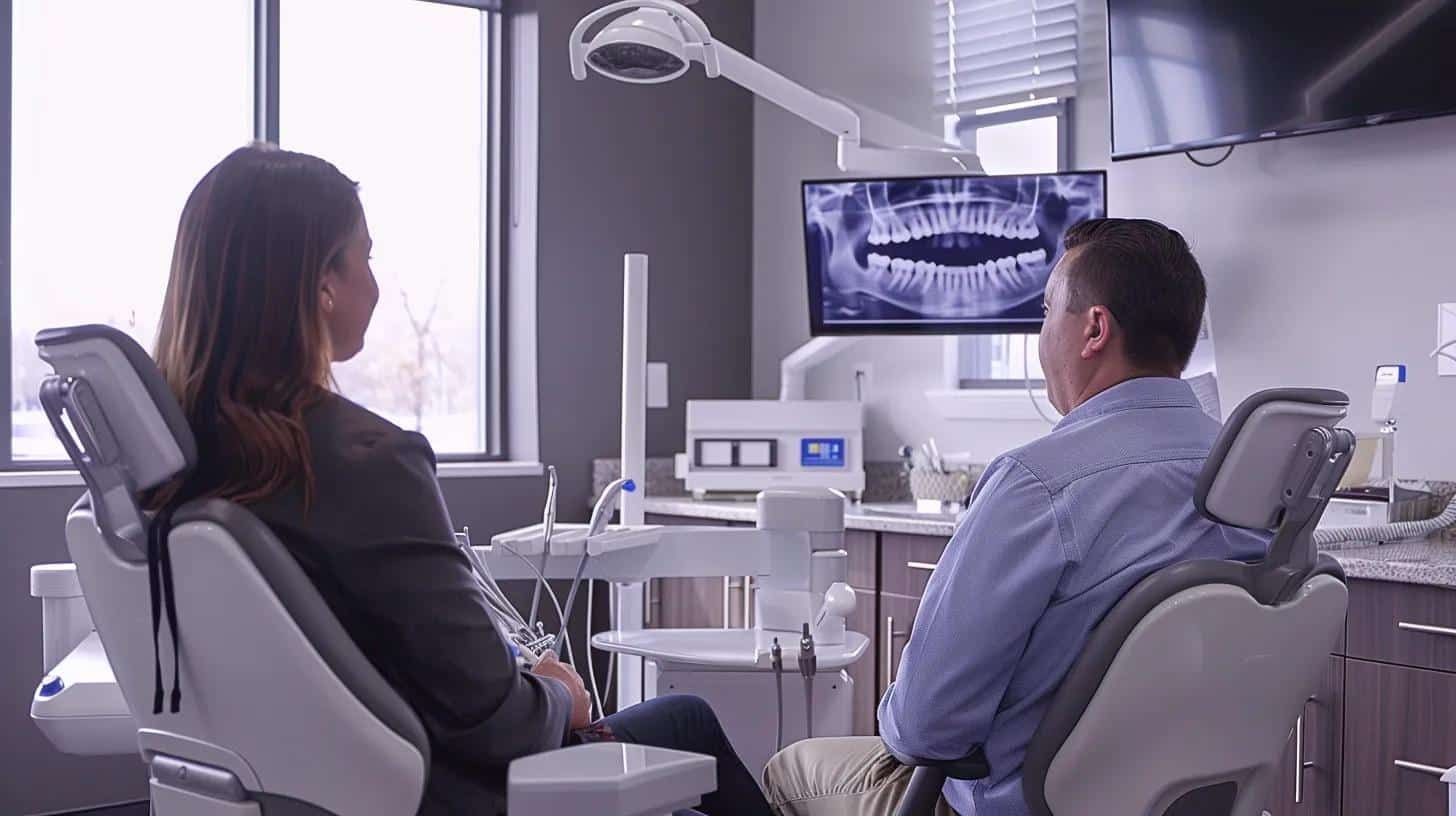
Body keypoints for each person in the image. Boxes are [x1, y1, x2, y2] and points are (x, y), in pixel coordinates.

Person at [148, 144, 772, 816]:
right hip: (451, 787)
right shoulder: (370, 462)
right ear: (323, 285)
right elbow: (496, 720)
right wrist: (559, 689)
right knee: (687, 721)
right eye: (365, 256)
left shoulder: (176, 473)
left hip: (307, 789)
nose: (375, 283)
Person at [762, 218, 1272, 816]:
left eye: (1046, 309)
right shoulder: (1249, 478)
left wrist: (897, 712)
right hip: (1181, 802)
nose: (1039, 331)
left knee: (791, 768)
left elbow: (926, 728)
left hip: (1024, 802)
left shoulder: (1037, 486)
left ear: (1094, 329)